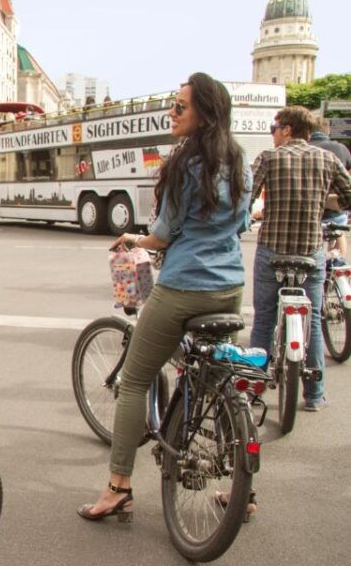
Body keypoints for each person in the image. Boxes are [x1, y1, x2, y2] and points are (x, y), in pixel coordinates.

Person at [78, 73, 251, 521]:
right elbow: (242, 223)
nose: (171, 113)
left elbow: (164, 233)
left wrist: (135, 239)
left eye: (179, 107)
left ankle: (118, 486)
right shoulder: (239, 159)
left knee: (135, 380)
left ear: (203, 114)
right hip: (230, 287)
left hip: (184, 287)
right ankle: (242, 489)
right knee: (218, 381)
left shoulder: (183, 163)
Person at [249, 106, 351, 412]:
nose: (273, 134)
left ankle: (253, 389)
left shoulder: (269, 158)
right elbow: (347, 196)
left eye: (274, 129)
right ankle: (314, 395)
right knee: (314, 319)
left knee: (264, 320)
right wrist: (323, 199)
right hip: (310, 251)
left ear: (288, 129)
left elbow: (247, 196)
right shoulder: (329, 159)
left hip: (272, 251)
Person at [311, 116, 351, 261]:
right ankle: (336, 269)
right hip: (336, 208)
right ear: (327, 131)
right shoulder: (341, 148)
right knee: (339, 233)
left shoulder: (305, 148)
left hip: (311, 209)